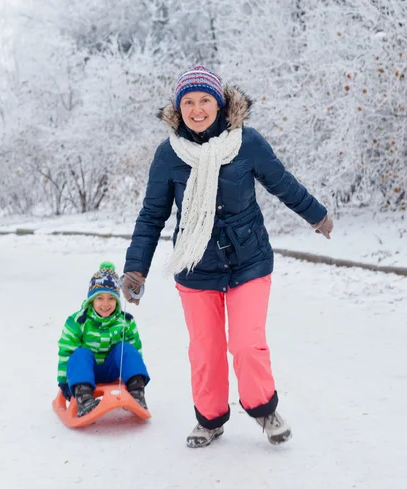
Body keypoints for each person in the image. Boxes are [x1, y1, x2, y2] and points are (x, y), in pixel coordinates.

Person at [121, 65, 333, 447]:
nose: (197, 109)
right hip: (195, 264)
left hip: (248, 259)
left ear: (219, 104)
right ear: (178, 107)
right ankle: (210, 419)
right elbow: (153, 214)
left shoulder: (246, 143)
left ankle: (265, 410)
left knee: (247, 343)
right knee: (206, 350)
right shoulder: (168, 154)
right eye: (188, 102)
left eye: (205, 100)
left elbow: (281, 183)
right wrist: (135, 269)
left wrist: (316, 215)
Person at [56, 261, 150, 417]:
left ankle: (137, 394)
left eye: (111, 298)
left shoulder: (126, 321)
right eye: (100, 298)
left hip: (112, 370)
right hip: (84, 372)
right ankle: (84, 399)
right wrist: (64, 381)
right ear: (91, 300)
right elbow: (66, 352)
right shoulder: (77, 321)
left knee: (126, 349)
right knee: (80, 353)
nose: (105, 304)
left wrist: (134, 377)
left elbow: (135, 352)